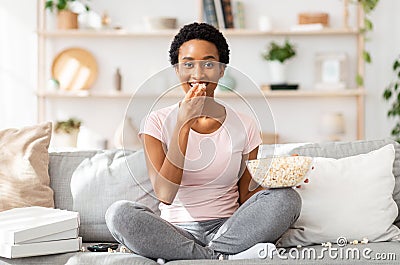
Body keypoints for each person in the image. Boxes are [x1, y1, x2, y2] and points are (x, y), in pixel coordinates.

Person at [105, 22, 301, 261]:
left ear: (221, 70)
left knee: (287, 198)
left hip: (230, 229)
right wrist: (184, 123)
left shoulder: (246, 124)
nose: (198, 74)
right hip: (175, 232)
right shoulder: (155, 122)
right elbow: (165, 193)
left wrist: (280, 178)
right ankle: (217, 257)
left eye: (208, 64)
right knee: (119, 214)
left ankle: (202, 256)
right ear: (177, 70)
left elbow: (247, 197)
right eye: (188, 64)